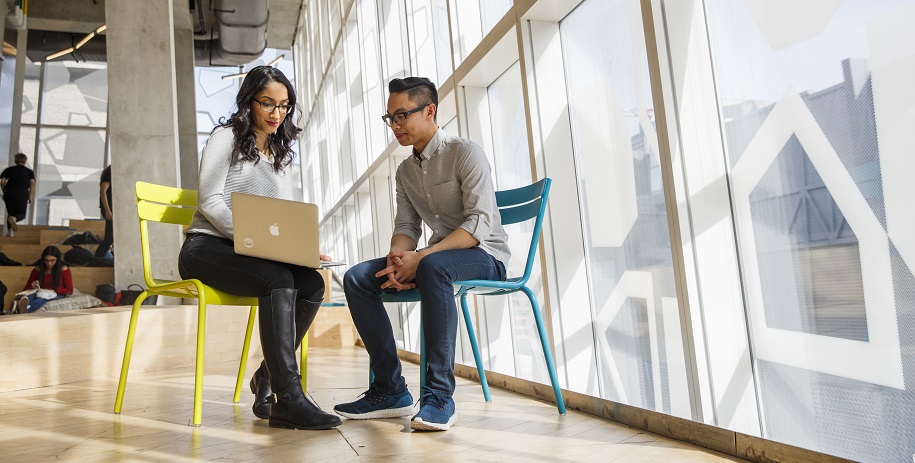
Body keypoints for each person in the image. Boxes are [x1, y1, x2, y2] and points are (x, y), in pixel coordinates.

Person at [333, 77, 509, 431]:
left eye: (402, 116)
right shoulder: (404, 171)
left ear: (429, 111)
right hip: (437, 258)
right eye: (390, 118)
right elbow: (407, 227)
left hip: (485, 254)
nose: (395, 125)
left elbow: (479, 224)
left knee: (432, 268)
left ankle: (439, 397)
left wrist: (422, 257)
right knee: (358, 278)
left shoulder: (465, 152)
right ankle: (389, 389)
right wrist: (399, 261)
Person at [177, 65, 340, 430]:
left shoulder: (280, 154)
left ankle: (267, 377)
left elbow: (278, 220)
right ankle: (290, 398)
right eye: (268, 104)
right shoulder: (226, 138)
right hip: (205, 248)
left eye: (284, 106)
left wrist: (301, 248)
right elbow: (210, 202)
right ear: (249, 100)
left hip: (251, 251)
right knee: (278, 278)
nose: (276, 115)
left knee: (312, 283)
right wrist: (259, 242)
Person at [15, 246, 73, 314]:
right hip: (41, 291)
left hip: (57, 293)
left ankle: (26, 310)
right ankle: (17, 307)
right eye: (46, 260)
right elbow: (25, 289)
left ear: (58, 260)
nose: (49, 263)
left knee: (41, 299)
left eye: (52, 260)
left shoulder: (63, 269)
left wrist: (54, 290)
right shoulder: (38, 269)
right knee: (29, 297)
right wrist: (32, 286)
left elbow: (70, 290)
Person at [1, 153, 36, 236]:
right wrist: (30, 196)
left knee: (11, 213)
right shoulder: (29, 172)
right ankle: (15, 219)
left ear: (15, 160)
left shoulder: (8, 170)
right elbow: (32, 184)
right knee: (21, 214)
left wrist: (4, 192)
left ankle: (10, 231)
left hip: (9, 193)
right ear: (25, 161)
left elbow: (2, 181)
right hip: (22, 193)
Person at [95, 165, 113, 257]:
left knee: (111, 237)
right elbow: (103, 191)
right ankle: (98, 258)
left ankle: (99, 257)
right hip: (109, 209)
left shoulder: (112, 173)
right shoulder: (109, 174)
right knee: (109, 238)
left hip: (111, 209)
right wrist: (107, 210)